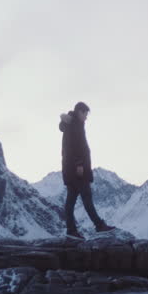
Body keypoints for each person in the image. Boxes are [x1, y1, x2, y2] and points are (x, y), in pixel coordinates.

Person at [59, 101, 116, 239]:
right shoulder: (74, 126)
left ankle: (71, 230)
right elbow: (73, 147)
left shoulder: (73, 125)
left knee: (71, 201)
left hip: (70, 169)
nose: (86, 117)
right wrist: (79, 164)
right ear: (80, 112)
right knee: (86, 197)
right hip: (77, 170)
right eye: (85, 114)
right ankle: (99, 225)